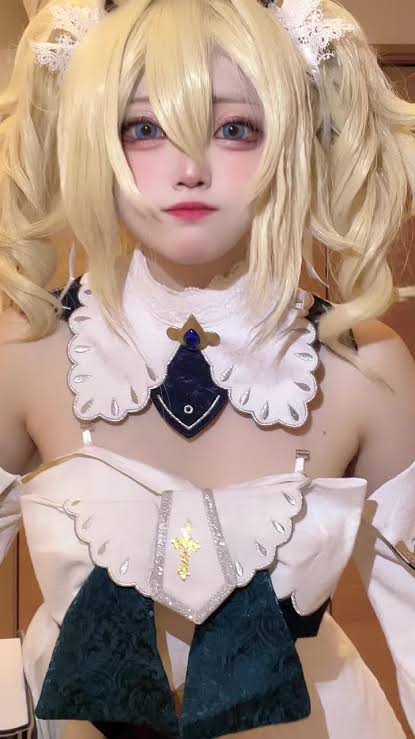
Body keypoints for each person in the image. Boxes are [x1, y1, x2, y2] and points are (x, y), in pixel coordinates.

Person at [0, 1, 414, 738]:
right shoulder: (23, 351)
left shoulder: (365, 368)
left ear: (291, 139)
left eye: (233, 129)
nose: (188, 170)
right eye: (143, 129)